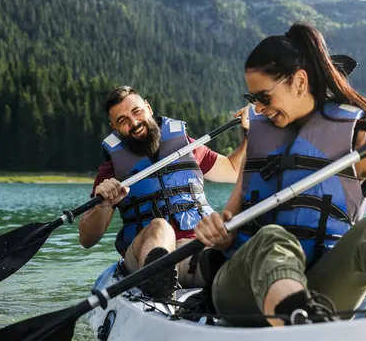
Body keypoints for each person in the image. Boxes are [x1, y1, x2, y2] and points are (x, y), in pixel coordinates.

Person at [193, 22, 366, 327]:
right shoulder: (259, 138)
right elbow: (231, 215)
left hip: (321, 294)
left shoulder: (355, 142)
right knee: (272, 238)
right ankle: (297, 323)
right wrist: (218, 230)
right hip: (244, 292)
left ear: (299, 82)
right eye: (252, 98)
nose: (257, 107)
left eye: (264, 97)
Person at [79, 86, 249, 299]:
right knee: (160, 227)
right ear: (114, 127)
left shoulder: (186, 146)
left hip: (193, 250)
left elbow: (233, 170)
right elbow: (87, 238)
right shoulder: (112, 169)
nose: (133, 122)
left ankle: (219, 281)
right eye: (122, 120)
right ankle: (156, 284)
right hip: (143, 256)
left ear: (148, 108)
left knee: (222, 252)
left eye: (136, 111)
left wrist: (249, 135)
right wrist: (103, 205)